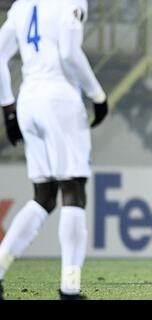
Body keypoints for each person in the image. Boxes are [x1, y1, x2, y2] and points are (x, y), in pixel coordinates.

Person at [0, 0, 108, 300]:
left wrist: (8, 108)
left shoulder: (21, 5)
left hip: (28, 102)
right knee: (74, 190)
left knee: (44, 196)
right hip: (59, 100)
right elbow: (69, 53)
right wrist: (97, 95)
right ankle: (70, 287)